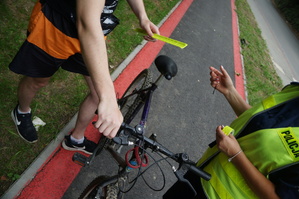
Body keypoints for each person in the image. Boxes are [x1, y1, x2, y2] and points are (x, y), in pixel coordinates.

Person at [9, 0, 159, 155]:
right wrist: (108, 97)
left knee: (97, 93)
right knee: (38, 80)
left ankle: (76, 139)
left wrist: (143, 16)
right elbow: (87, 25)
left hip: (94, 32)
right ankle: (22, 111)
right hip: (56, 25)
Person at [163, 66, 299, 198]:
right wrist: (230, 92)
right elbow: (259, 123)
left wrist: (236, 155)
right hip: (200, 173)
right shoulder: (293, 91)